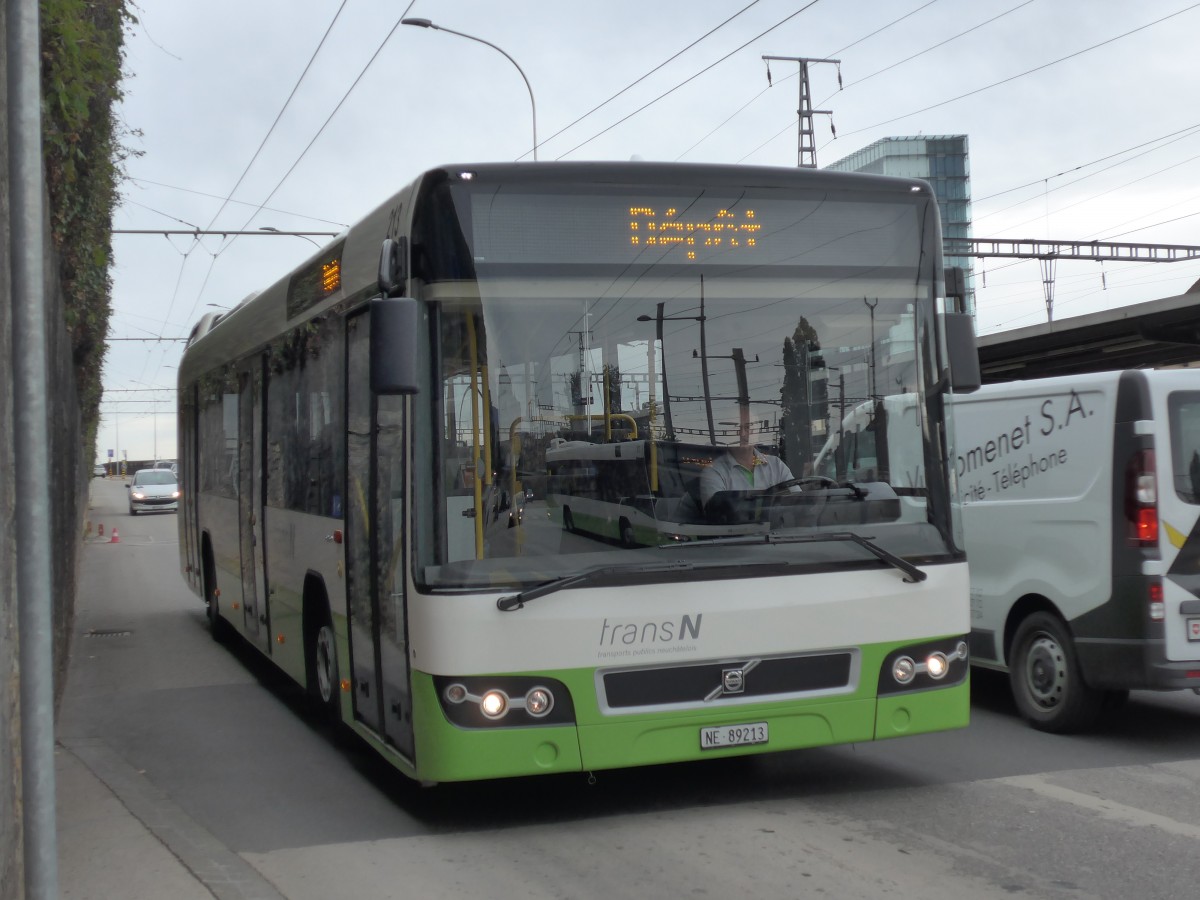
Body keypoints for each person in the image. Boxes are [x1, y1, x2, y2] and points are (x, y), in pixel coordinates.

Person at [699, 410, 796, 516]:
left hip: (780, 532)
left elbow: (797, 503)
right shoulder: (713, 471)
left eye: (748, 427)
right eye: (736, 428)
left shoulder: (776, 465)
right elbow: (717, 516)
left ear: (757, 432)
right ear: (727, 434)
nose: (743, 434)